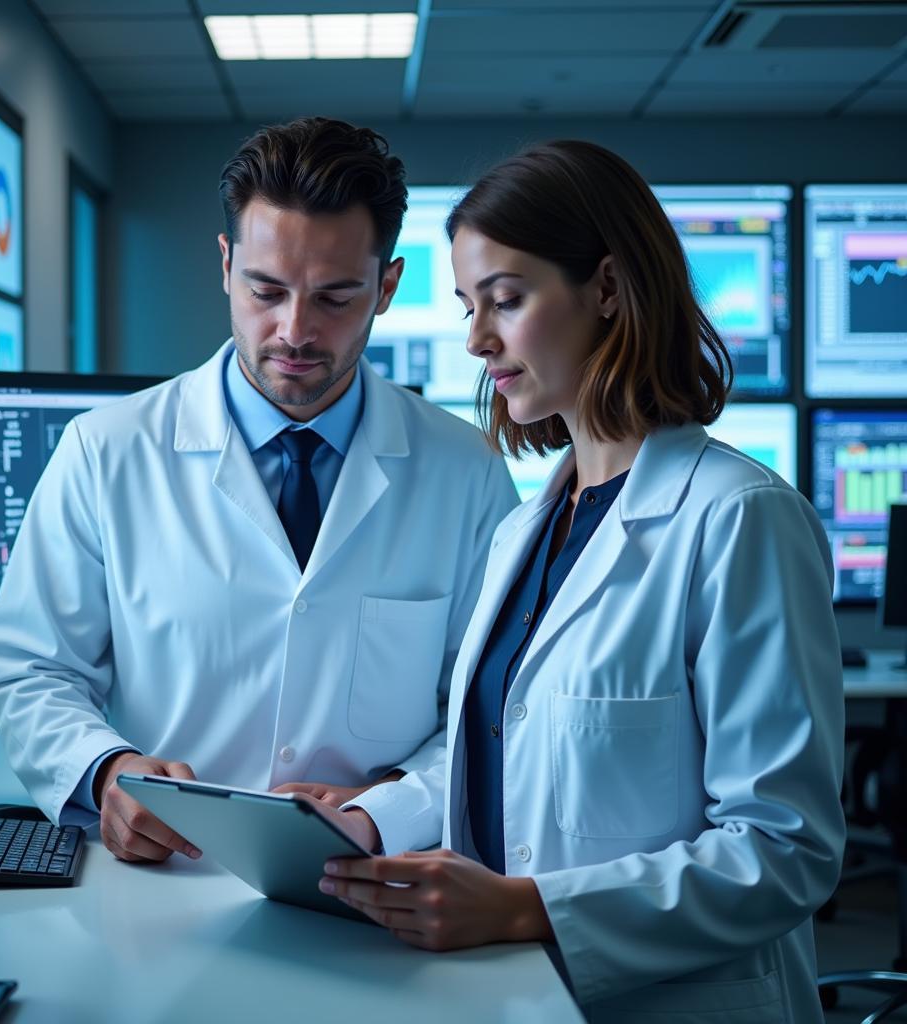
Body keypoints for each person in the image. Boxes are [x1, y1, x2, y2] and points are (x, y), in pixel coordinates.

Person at [304, 140, 845, 1022]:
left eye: (506, 301)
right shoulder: (527, 528)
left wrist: (527, 908)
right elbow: (516, 762)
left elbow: (786, 850)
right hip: (509, 995)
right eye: (468, 307)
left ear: (605, 287)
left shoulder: (739, 517)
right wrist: (377, 815)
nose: (478, 340)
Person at [0, 117, 519, 863]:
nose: (295, 331)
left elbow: (490, 712)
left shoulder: (467, 472)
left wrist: (394, 803)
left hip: (374, 888)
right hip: (162, 888)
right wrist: (106, 773)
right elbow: (35, 669)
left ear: (387, 286)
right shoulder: (106, 452)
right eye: (267, 290)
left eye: (335, 298)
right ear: (226, 264)